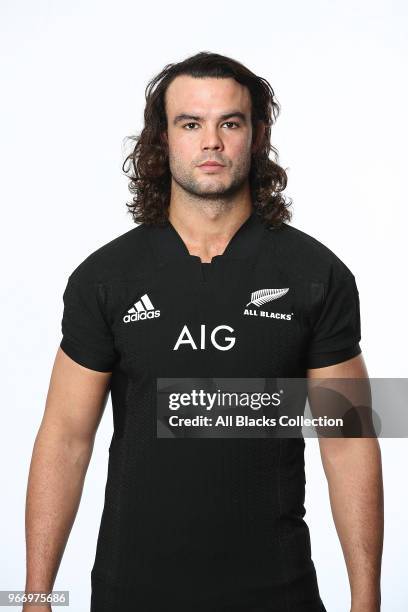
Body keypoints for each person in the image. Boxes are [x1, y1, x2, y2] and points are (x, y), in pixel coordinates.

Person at [24, 51, 383, 612]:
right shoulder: (106, 279)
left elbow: (348, 440)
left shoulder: (315, 275)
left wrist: (367, 600)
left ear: (257, 135)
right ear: (162, 139)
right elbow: (66, 438)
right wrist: (34, 597)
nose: (210, 141)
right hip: (131, 593)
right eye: (190, 124)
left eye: (229, 123)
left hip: (278, 594)